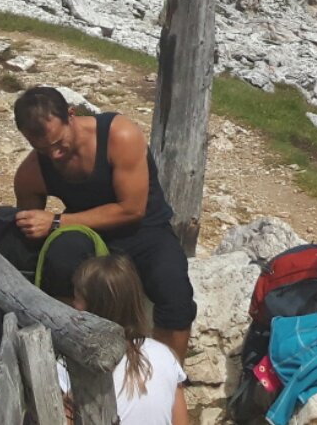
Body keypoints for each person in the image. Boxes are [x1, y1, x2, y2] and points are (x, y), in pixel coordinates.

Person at [12, 87, 197, 360]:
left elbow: (132, 209)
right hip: (87, 232)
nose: (54, 155)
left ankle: (171, 375)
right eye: (41, 149)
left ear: (71, 115)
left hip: (144, 229)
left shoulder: (119, 136)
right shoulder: (32, 171)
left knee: (173, 288)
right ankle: (68, 364)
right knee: (60, 261)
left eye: (59, 143)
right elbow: (30, 230)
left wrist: (56, 221)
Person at [59, 255, 190, 425]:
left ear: (94, 307)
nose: (73, 305)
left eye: (77, 298)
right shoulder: (165, 355)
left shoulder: (71, 366)